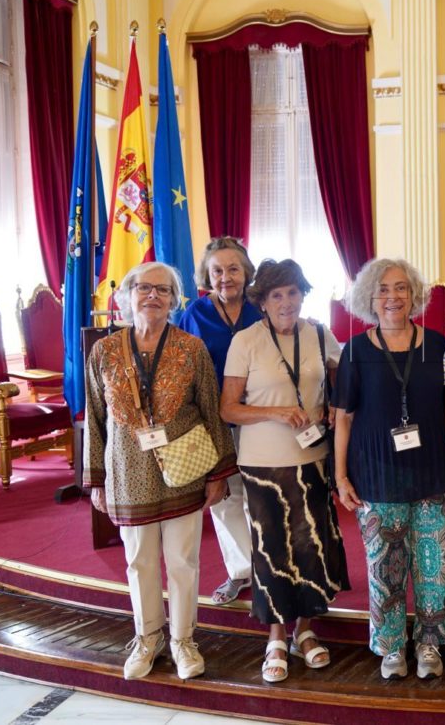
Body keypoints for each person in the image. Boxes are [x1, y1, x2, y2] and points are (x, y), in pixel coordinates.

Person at [84, 262, 235, 681]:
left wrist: (219, 473)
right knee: (139, 562)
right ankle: (148, 637)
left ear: (174, 299)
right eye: (144, 288)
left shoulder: (191, 348)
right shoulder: (105, 351)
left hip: (183, 470)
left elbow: (211, 410)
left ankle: (183, 640)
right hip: (127, 473)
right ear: (128, 296)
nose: (153, 296)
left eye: (163, 290)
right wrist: (95, 478)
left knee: (183, 561)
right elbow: (95, 420)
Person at [220, 258, 349, 684]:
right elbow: (229, 408)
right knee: (272, 548)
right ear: (262, 301)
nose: (287, 302)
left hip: (312, 459)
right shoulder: (246, 340)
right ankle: (275, 636)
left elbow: (343, 380)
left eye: (293, 292)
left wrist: (332, 405)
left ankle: (306, 631)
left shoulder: (318, 333)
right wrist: (276, 411)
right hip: (262, 465)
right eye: (277, 295)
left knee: (309, 546)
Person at [334, 258, 445, 681]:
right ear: (369, 298)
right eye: (384, 289)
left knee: (432, 565)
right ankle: (392, 648)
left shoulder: (439, 345)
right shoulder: (355, 351)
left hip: (430, 470)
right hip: (376, 473)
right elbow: (345, 417)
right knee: (384, 568)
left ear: (416, 294)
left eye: (402, 288)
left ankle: (428, 642)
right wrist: (340, 475)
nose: (393, 297)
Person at [178, 236, 262, 606]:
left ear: (246, 272)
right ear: (206, 276)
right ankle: (241, 572)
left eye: (233, 269)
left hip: (259, 417)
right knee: (224, 498)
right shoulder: (192, 315)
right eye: (217, 271)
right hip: (212, 421)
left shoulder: (262, 308)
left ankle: (268, 571)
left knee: (261, 495)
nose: (226, 277)